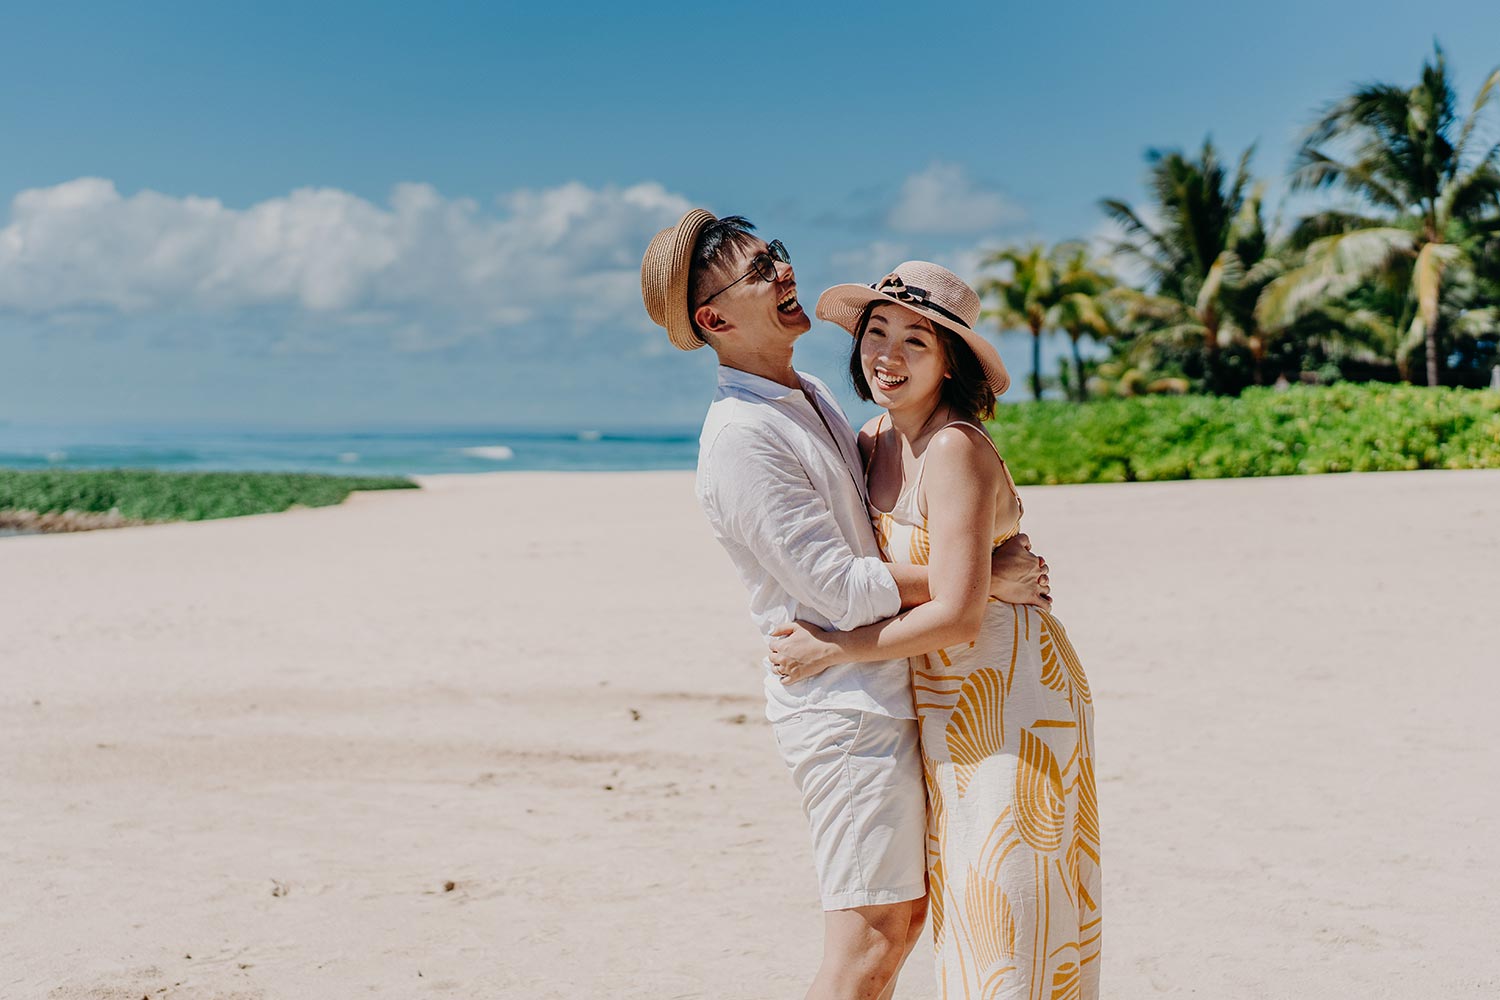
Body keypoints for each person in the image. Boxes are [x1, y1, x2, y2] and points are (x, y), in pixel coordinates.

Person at [640, 212, 1051, 1000]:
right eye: (760, 271)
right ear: (714, 321)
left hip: (888, 690)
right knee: (872, 936)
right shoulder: (743, 435)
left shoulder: (811, 396)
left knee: (899, 922)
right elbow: (839, 587)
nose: (784, 272)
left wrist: (968, 565)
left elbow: (886, 522)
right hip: (843, 710)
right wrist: (975, 576)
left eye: (776, 254)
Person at [769, 262, 1100, 999]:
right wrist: (984, 572)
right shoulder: (872, 440)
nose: (888, 356)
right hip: (941, 698)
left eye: (915, 341)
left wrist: (832, 648)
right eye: (876, 333)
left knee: (1008, 914)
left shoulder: (955, 448)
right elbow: (900, 577)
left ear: (949, 362)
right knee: (970, 908)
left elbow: (957, 613)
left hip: (1007, 694)